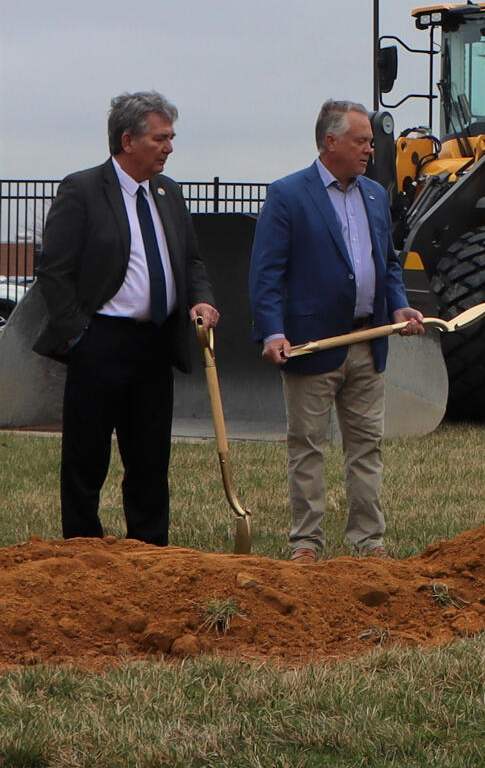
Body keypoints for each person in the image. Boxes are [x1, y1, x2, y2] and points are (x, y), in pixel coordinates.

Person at [31, 92, 220, 545]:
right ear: (128, 139)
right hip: (99, 341)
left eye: (171, 137)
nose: (169, 147)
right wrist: (79, 334)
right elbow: (54, 271)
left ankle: (150, 550)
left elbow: (191, 261)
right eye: (161, 137)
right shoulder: (82, 190)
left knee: (151, 459)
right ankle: (82, 549)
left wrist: (200, 299)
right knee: (86, 457)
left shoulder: (167, 192)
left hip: (155, 344)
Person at [249, 100, 423, 562]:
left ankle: (369, 542)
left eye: (370, 141)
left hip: (368, 343)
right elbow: (267, 273)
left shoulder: (375, 195)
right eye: (361, 141)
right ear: (331, 142)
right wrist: (272, 333)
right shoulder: (288, 195)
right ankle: (306, 544)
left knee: (366, 447)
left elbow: (386, 263)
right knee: (307, 447)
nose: (370, 149)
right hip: (312, 347)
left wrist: (400, 307)